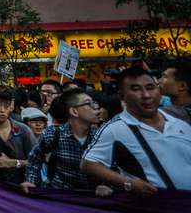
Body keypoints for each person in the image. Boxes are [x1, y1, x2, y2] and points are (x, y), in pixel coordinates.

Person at [82, 65, 191, 193]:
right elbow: (88, 164)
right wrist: (127, 183)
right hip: (157, 207)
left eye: (150, 88)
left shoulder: (179, 122)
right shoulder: (114, 128)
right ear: (122, 96)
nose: (146, 95)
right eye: (136, 89)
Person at [21, 89, 104, 193]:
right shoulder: (53, 134)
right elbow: (35, 157)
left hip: (93, 198)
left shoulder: (103, 136)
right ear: (74, 111)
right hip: (60, 196)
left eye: (95, 103)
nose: (96, 108)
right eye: (88, 103)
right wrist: (31, 181)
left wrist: (107, 185)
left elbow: (114, 166)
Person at [0, 86, 36, 184]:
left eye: (6, 105)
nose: (3, 110)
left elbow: (36, 162)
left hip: (21, 186)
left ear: (11, 106)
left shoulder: (23, 130)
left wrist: (13, 163)